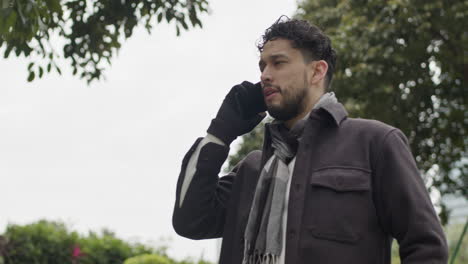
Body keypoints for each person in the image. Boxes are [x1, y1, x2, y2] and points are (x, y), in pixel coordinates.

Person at [172, 17, 448, 264]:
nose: (265, 75)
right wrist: (220, 132)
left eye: (278, 63)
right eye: (262, 65)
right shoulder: (252, 169)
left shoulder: (374, 143)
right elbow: (190, 220)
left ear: (317, 72)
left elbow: (426, 246)